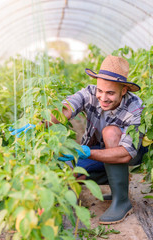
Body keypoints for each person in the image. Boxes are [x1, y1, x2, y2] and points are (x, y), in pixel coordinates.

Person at [10, 55, 146, 224]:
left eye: (110, 93)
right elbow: (65, 109)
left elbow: (126, 153)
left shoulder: (135, 107)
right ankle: (116, 184)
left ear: (124, 90)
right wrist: (36, 124)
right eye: (100, 90)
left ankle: (122, 201)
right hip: (102, 149)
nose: (103, 98)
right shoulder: (89, 93)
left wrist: (86, 152)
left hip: (130, 152)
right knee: (72, 175)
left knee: (110, 132)